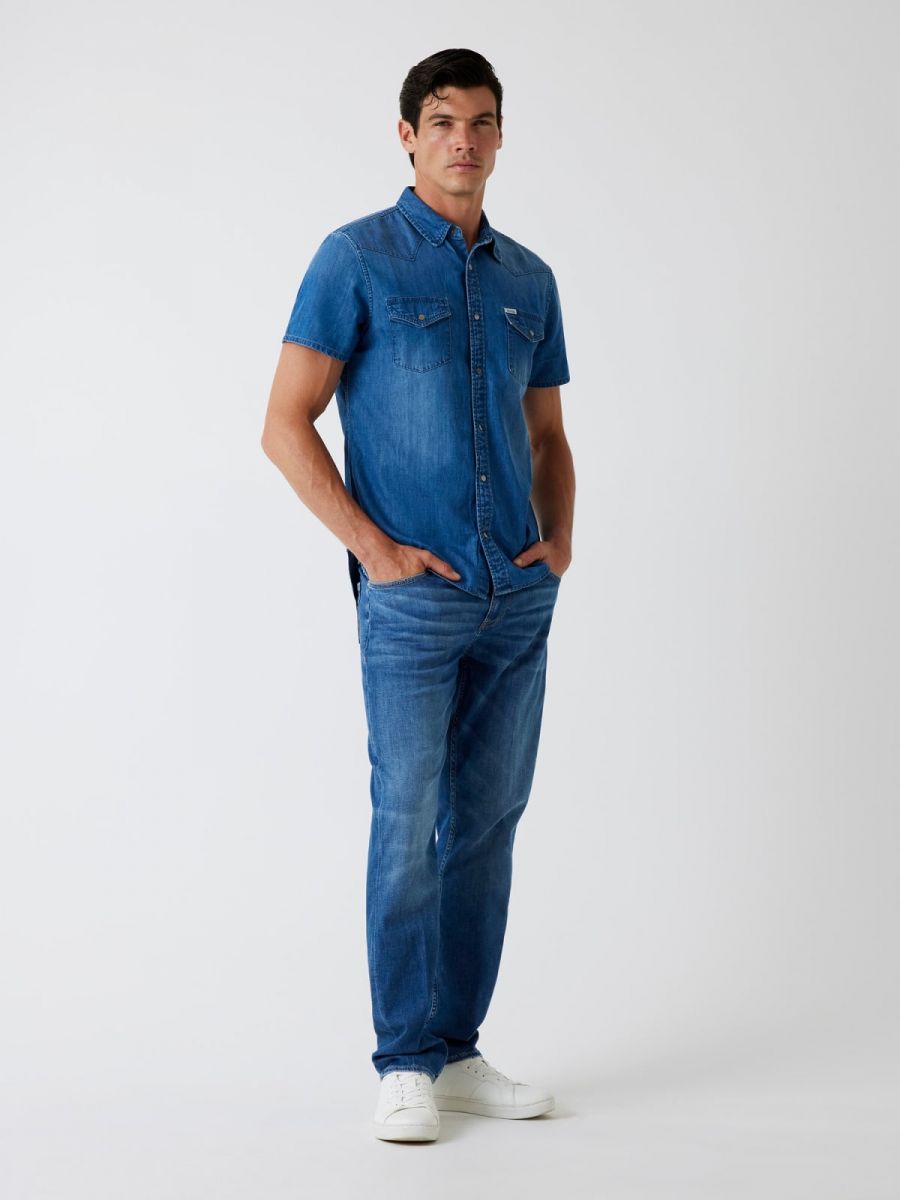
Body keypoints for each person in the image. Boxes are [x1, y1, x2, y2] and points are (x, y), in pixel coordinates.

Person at [261, 48, 575, 1143]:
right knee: (406, 822)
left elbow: (549, 435)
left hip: (515, 599)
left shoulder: (531, 279)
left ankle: (458, 1049)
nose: (464, 141)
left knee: (486, 826)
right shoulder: (356, 257)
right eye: (443, 122)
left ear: (501, 135)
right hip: (411, 604)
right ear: (408, 135)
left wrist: (559, 544)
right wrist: (375, 552)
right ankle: (402, 1060)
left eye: (482, 122)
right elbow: (284, 423)